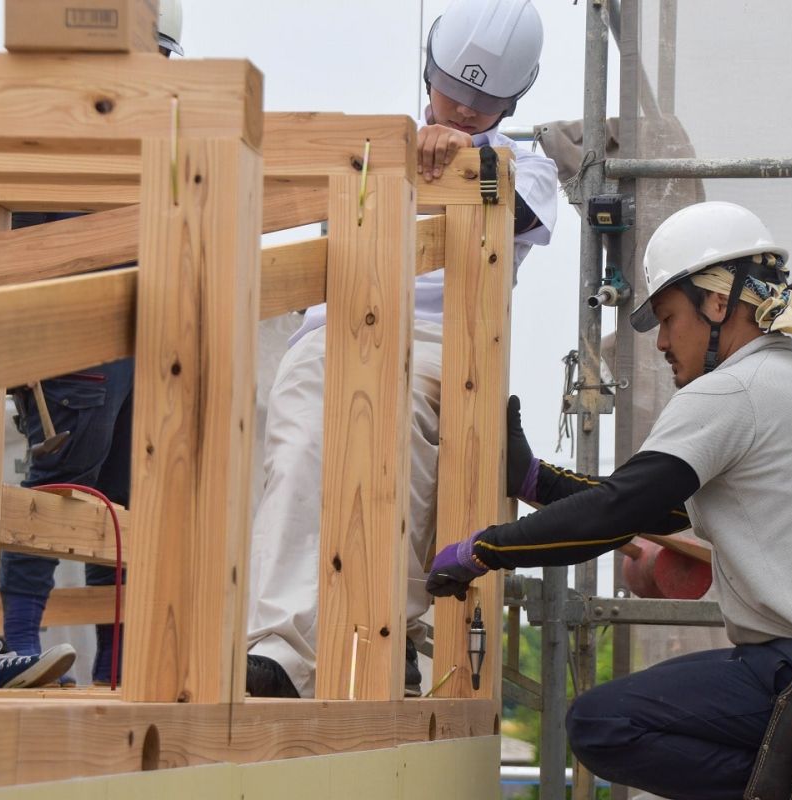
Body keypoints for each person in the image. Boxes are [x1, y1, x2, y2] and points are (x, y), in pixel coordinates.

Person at [425, 201, 792, 800]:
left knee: (603, 725)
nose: (662, 342)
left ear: (719, 304)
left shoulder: (732, 391)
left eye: (668, 318)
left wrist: (484, 550)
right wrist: (537, 481)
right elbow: (655, 508)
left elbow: (621, 512)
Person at [245, 0, 558, 698]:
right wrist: (406, 153)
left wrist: (467, 155)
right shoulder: (370, 152)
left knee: (408, 463)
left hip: (443, 341)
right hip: (333, 328)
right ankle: (282, 654)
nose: (467, 108)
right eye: (455, 91)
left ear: (514, 100)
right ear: (429, 70)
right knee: (298, 454)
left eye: (486, 101)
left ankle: (392, 643)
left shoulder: (528, 168)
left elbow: (517, 198)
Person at [0, 0, 185, 689]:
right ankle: (14, 644)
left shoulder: (145, 120)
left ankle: (119, 668)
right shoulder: (56, 109)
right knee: (61, 482)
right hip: (70, 326)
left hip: (138, 331)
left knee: (124, 501)